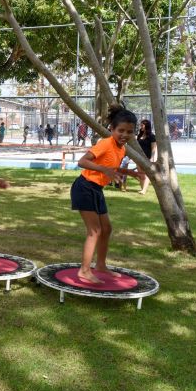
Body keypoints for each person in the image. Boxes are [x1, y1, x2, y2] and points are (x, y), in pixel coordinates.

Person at [71, 106, 144, 284]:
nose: (124, 135)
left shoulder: (122, 149)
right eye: (120, 130)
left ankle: (101, 265)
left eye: (129, 132)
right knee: (95, 231)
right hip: (84, 187)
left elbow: (111, 165)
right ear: (112, 129)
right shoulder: (105, 143)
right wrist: (105, 170)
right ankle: (84, 271)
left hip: (97, 190)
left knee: (107, 229)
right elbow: (83, 161)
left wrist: (131, 173)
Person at [136, 119, 157, 195]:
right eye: (140, 125)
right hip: (138, 157)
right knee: (140, 173)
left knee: (147, 173)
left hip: (147, 157)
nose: (140, 126)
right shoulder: (139, 135)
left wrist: (152, 158)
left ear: (146, 126)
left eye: (142, 125)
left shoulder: (151, 136)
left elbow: (154, 148)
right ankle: (142, 188)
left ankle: (144, 190)